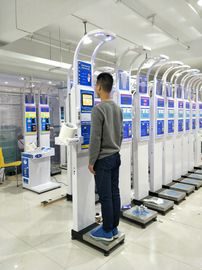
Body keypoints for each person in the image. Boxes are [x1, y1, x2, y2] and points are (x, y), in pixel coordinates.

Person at [88, 72, 123, 241]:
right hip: (116, 156)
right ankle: (114, 226)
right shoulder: (117, 108)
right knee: (114, 192)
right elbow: (121, 134)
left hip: (103, 159)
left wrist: (91, 161)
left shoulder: (98, 109)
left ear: (100, 87)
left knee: (105, 196)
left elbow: (95, 138)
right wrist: (115, 148)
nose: (95, 88)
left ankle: (107, 230)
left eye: (96, 85)